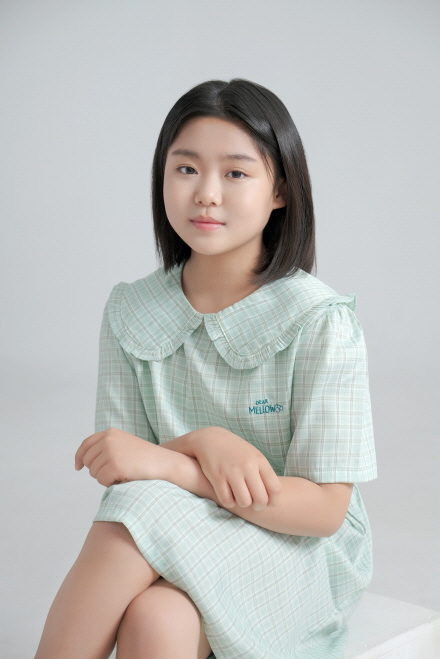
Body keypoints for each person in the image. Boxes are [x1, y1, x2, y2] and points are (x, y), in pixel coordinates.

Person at [34, 78, 378, 659]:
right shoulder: (132, 310)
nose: (206, 194)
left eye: (236, 173)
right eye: (186, 169)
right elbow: (124, 472)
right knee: (156, 616)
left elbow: (324, 512)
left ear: (281, 190)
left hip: (299, 548)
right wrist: (206, 446)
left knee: (140, 513)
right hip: (175, 526)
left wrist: (187, 459)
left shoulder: (320, 321)